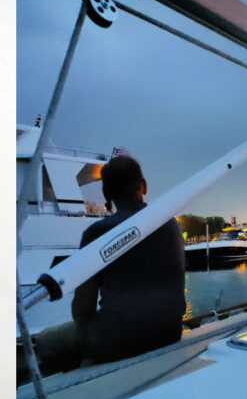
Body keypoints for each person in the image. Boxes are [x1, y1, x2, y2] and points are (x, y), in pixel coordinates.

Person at [28, 155, 186, 374]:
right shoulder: (171, 224)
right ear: (144, 186)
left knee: (46, 340)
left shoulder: (97, 233)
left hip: (117, 341)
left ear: (106, 194)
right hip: (170, 333)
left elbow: (82, 310)